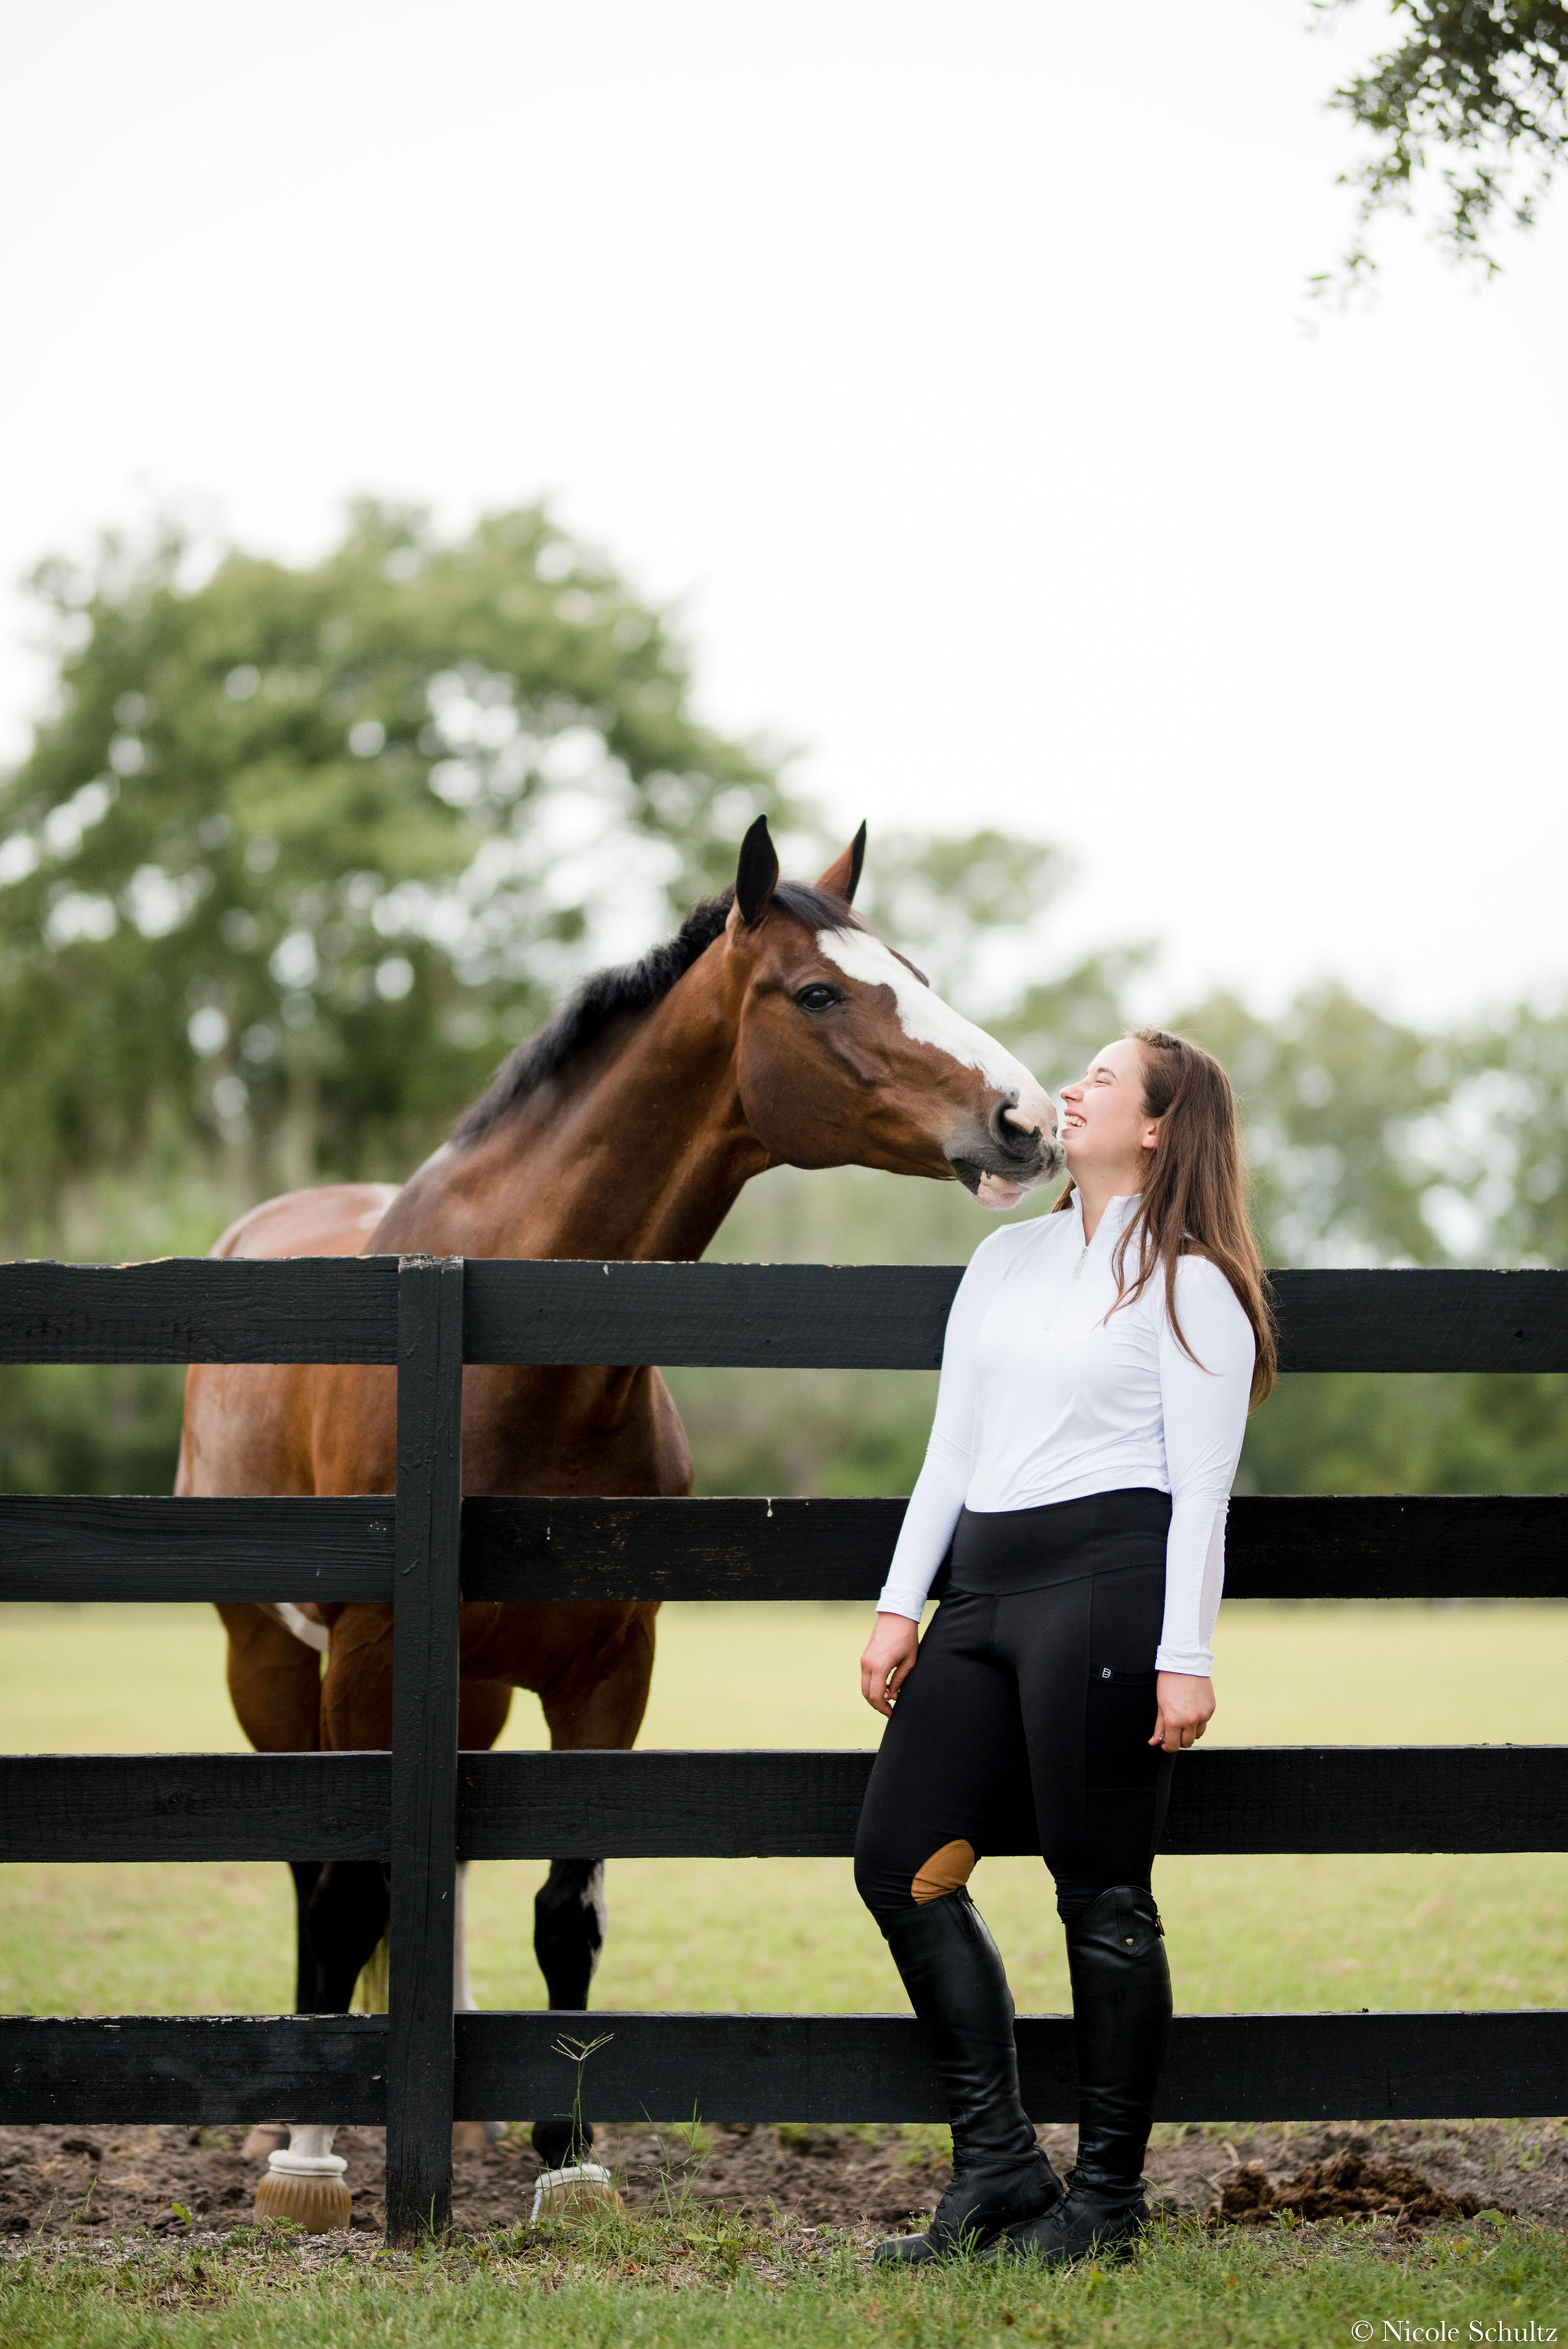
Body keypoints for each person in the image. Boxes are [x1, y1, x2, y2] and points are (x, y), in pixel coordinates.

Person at [854, 1027, 1275, 2266]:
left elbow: (1204, 1487)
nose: (1072, 1087)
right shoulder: (1004, 1260)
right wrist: (900, 1601)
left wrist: (1183, 1653)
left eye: (1102, 1077)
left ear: (1156, 1126)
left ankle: (1107, 2202)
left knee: (1102, 1892)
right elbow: (951, 1446)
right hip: (981, 1592)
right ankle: (997, 2170)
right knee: (899, 1864)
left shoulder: (1193, 1279)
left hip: (1107, 1588)